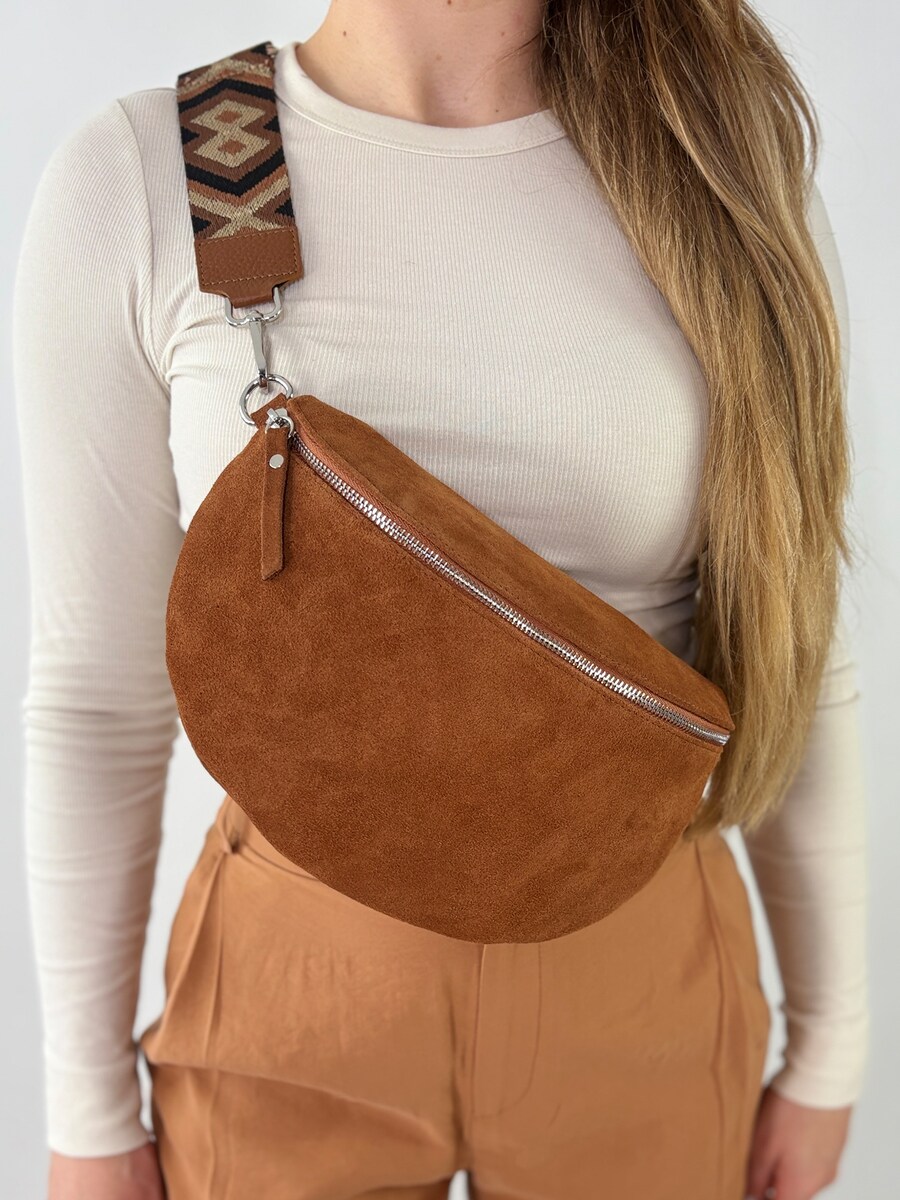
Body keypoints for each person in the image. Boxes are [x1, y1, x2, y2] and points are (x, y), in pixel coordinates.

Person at [12, 3, 868, 1199]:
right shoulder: (163, 171)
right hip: (290, 997)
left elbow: (798, 647)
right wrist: (88, 1114)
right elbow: (96, 696)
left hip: (644, 987)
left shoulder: (718, 167)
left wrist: (832, 1050)